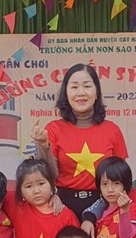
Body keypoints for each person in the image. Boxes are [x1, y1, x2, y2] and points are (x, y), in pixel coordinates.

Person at [32, 64, 128, 217]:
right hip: (62, 205)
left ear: (96, 93)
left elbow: (121, 177)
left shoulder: (112, 130)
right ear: (66, 93)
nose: (81, 93)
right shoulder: (53, 129)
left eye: (87, 86)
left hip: (103, 206)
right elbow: (51, 175)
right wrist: (43, 145)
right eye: (74, 87)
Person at [5, 158, 79, 238]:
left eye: (41, 183)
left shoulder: (66, 216)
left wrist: (55, 195)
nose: (36, 191)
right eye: (28, 186)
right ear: (20, 191)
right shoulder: (16, 206)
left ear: (51, 184)